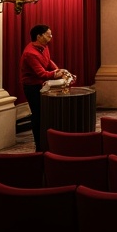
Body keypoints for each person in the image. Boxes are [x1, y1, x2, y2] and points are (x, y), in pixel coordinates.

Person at [20, 24, 73, 152]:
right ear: (39, 36)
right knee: (38, 115)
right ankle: (39, 145)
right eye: (48, 34)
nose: (51, 36)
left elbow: (48, 61)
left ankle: (48, 142)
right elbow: (41, 74)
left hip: (41, 85)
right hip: (32, 87)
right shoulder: (30, 53)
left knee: (46, 114)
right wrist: (57, 74)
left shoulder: (43, 47)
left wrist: (59, 70)